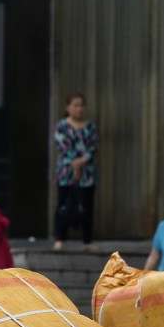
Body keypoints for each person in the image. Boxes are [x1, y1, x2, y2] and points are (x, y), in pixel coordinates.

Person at [53, 92, 99, 252]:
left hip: (87, 173)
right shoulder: (62, 126)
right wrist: (74, 165)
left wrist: (81, 163)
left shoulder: (90, 126)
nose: (79, 109)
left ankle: (87, 240)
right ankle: (59, 238)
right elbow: (62, 147)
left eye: (81, 105)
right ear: (68, 107)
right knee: (63, 205)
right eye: (75, 105)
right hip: (66, 172)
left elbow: (93, 147)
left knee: (87, 206)